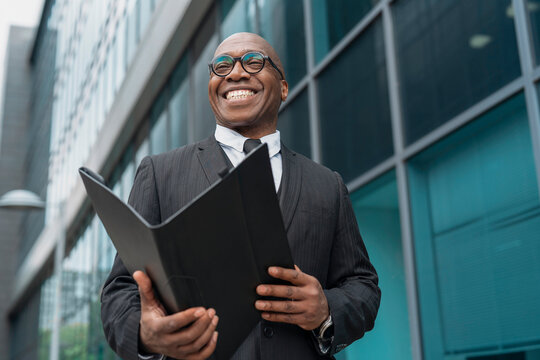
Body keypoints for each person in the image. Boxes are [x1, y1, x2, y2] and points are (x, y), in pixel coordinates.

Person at [101, 32, 381, 360]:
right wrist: (144, 333)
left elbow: (362, 285)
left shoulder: (327, 185)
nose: (234, 73)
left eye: (253, 61)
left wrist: (326, 310)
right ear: (211, 91)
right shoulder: (160, 173)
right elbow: (120, 290)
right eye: (221, 66)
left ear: (284, 87)